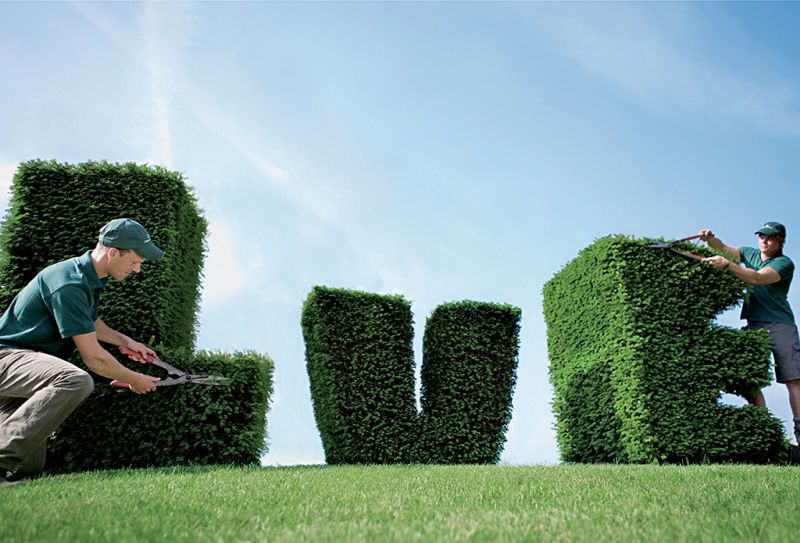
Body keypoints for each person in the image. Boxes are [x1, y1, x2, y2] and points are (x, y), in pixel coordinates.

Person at [0, 218, 164, 486]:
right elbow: (94, 358)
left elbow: (90, 323)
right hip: (7, 360)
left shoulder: (88, 278)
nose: (137, 270)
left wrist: (125, 341)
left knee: (29, 466)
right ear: (113, 252)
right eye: (135, 261)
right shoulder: (69, 283)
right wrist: (135, 379)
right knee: (75, 380)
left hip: (24, 372)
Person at [700, 221, 800, 445]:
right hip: (754, 324)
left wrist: (728, 266)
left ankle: (799, 427)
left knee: (793, 380)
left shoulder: (784, 263)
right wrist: (709, 239)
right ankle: (761, 423)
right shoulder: (749, 253)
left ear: (780, 241)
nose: (765, 240)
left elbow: (757, 278)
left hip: (780, 324)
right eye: (762, 236)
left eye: (770, 237)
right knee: (748, 373)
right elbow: (722, 248)